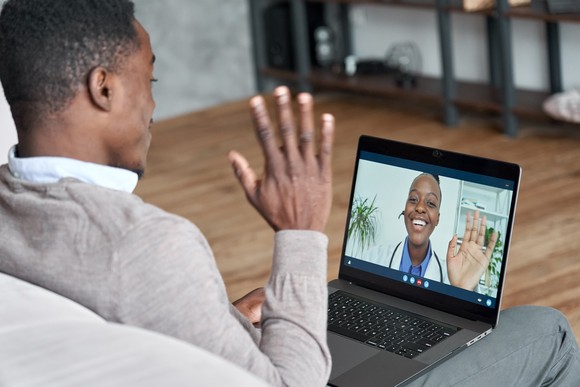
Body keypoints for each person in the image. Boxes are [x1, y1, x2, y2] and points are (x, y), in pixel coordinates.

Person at [0, 1, 578, 386]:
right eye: (147, 80)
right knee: (544, 327)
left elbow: (134, 326)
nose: (152, 105)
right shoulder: (148, 246)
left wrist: (220, 319)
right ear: (103, 87)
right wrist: (299, 232)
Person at [365, 173, 497, 291]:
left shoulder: (451, 277)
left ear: (437, 219)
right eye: (413, 199)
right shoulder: (373, 257)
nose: (420, 207)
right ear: (405, 209)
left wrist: (462, 290)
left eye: (430, 203)